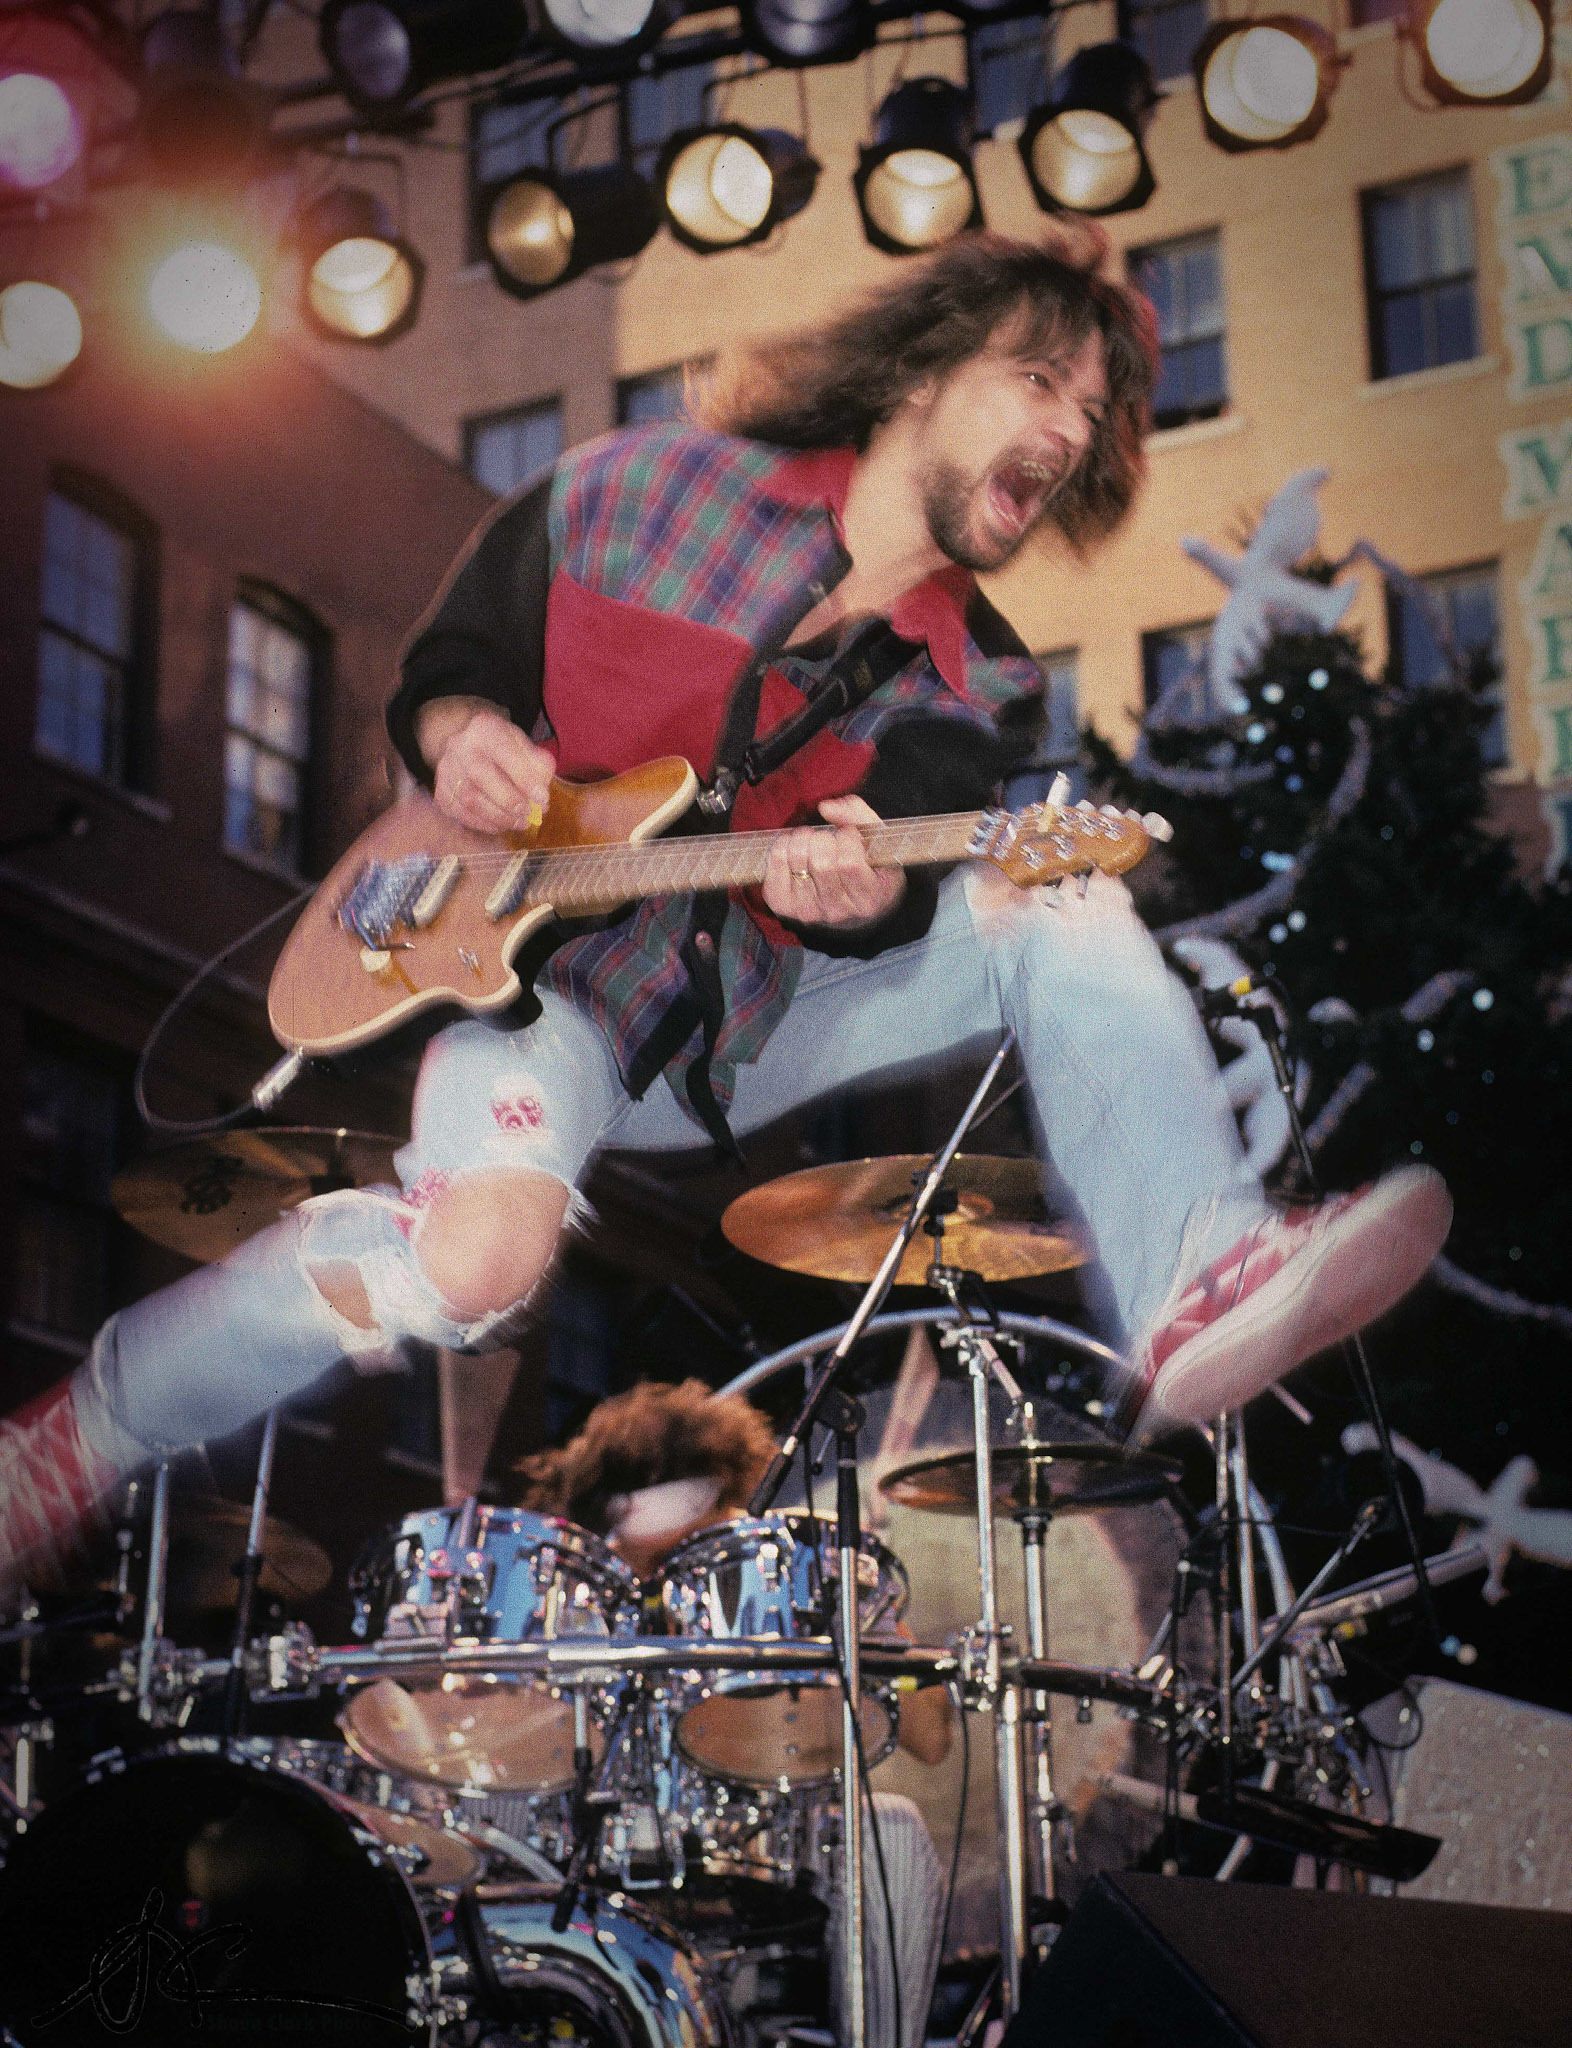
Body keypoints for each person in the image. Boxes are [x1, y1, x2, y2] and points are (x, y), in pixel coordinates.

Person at [0, 227, 1453, 1605]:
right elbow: (460, 654)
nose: (1072, 432)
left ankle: (1197, 1271)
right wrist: (460, 734)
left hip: (750, 1022)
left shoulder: (978, 681)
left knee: (1046, 891)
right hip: (541, 998)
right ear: (922, 371)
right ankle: (84, 1435)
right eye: (1041, 382)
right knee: (477, 1264)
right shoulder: (640, 493)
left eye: (1094, 410)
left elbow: (891, 895)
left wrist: (864, 894)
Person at [516, 1377, 951, 2048]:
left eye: (706, 1523)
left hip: (769, 1840)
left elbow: (931, 1739)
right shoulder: (569, 1602)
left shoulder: (777, 1582)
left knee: (892, 1830)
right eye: (660, 1548)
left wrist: (884, 1630)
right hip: (597, 1847)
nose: (678, 1563)